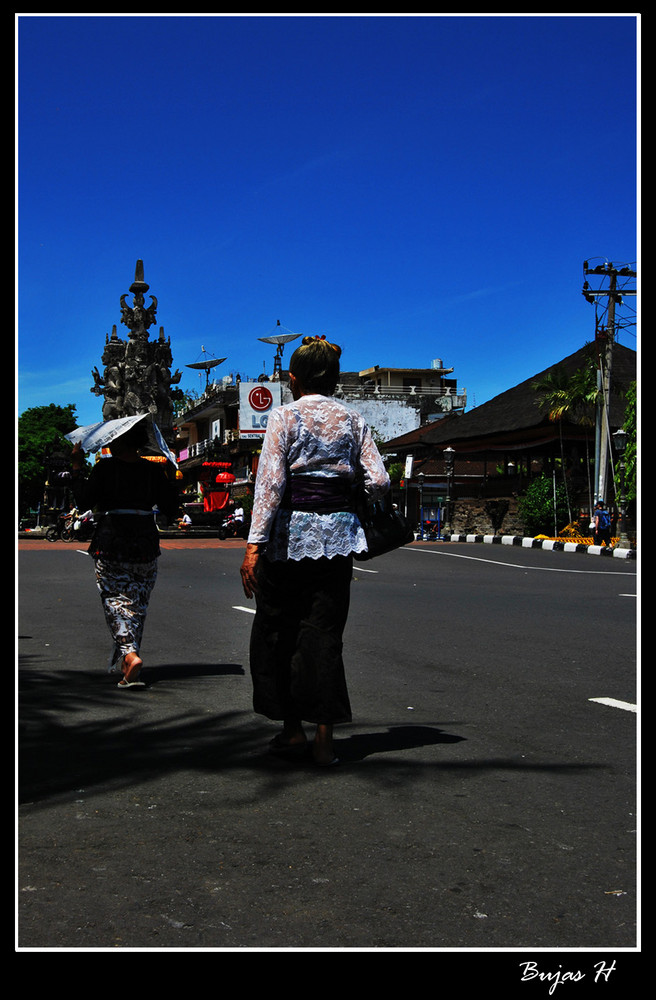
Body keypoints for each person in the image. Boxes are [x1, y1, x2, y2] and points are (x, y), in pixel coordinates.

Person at [240, 335, 390, 766]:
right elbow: (378, 481)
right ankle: (325, 740)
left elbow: (269, 487)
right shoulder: (354, 420)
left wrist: (253, 548)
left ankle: (292, 732)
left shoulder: (284, 417)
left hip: (289, 542)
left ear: (293, 378)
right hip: (338, 540)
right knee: (324, 636)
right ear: (335, 378)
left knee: (279, 632)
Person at [70, 421, 179, 688]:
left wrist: (75, 466)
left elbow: (82, 501)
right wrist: (173, 475)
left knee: (114, 599)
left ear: (115, 441)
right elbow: (172, 510)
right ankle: (130, 662)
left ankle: (129, 654)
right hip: (144, 542)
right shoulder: (154, 470)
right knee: (138, 603)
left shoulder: (105, 468)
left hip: (111, 541)